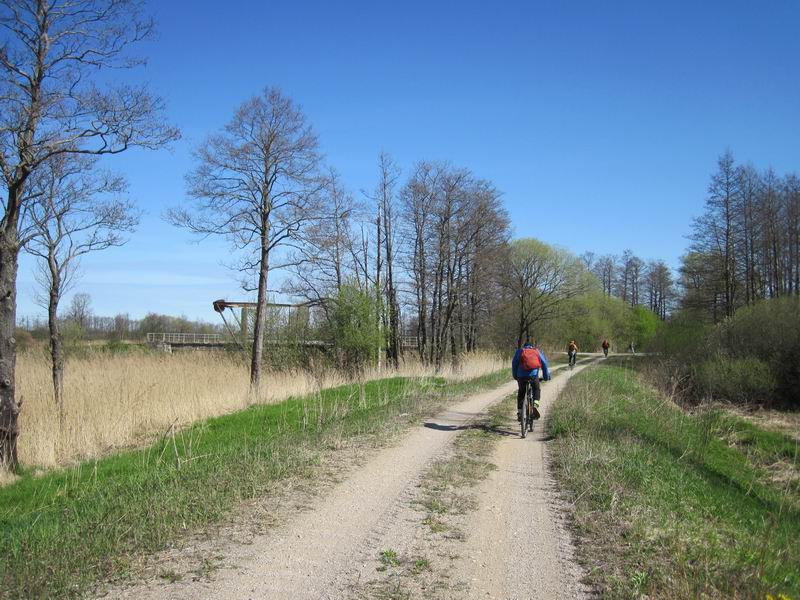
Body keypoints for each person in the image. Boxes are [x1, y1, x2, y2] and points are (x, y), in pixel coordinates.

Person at [512, 340, 550, 422]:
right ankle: (535, 404)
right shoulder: (536, 351)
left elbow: (514, 364)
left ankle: (519, 412)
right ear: (531, 346)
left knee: (521, 392)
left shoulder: (519, 351)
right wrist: (546, 377)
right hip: (533, 375)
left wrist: (515, 376)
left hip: (521, 376)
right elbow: (544, 364)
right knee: (536, 389)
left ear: (524, 346)